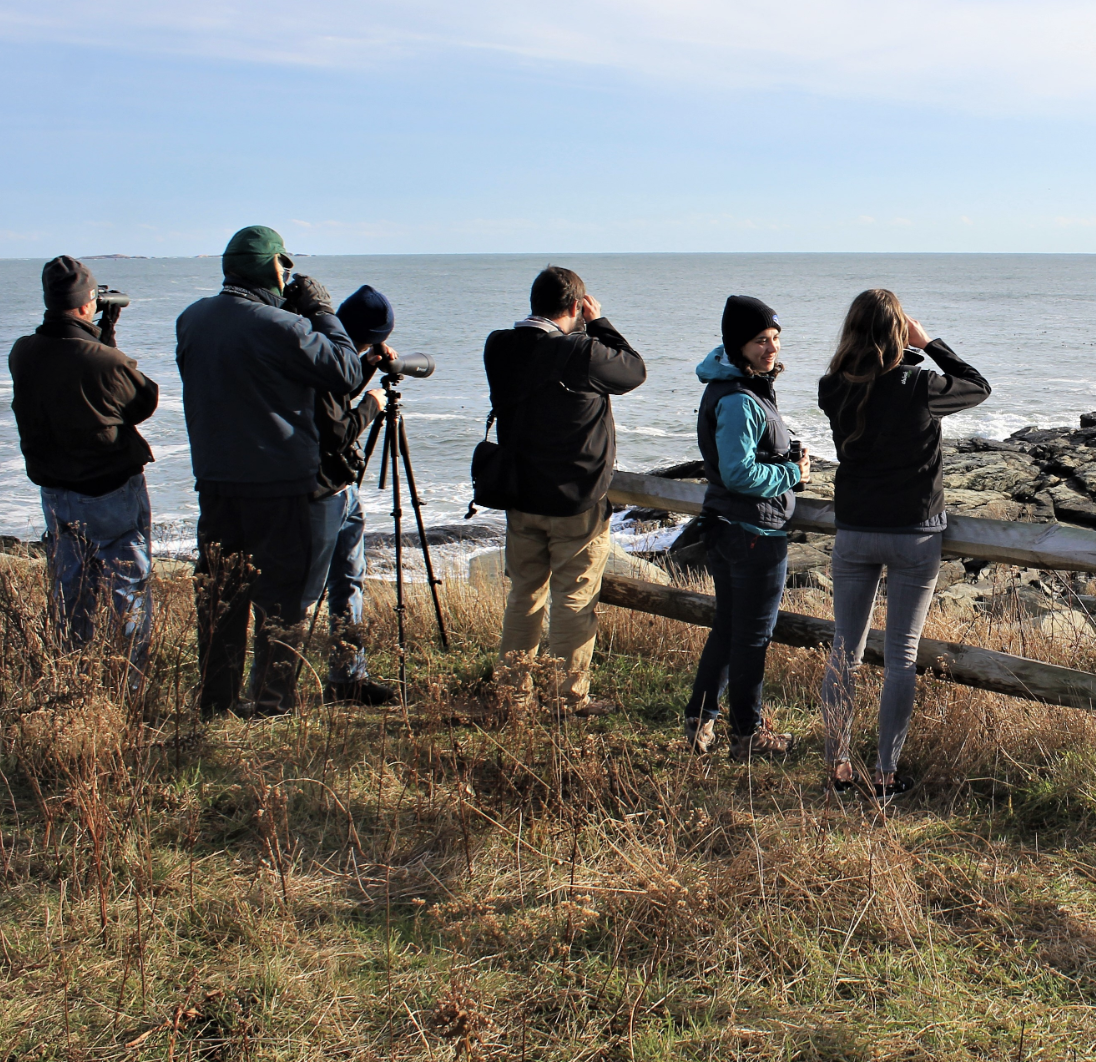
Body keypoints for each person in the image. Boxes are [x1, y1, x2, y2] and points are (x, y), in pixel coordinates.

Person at [176, 225, 363, 718]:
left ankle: (215, 701)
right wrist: (322, 312)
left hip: (217, 481)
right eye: (284, 264)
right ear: (272, 266)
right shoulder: (283, 327)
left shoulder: (192, 319)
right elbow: (346, 371)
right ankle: (270, 704)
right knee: (282, 599)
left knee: (221, 596)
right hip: (280, 484)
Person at [817, 289, 990, 798]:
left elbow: (866, 385)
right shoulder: (920, 385)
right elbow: (978, 386)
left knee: (844, 652)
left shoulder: (832, 386)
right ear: (900, 331)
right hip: (914, 533)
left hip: (855, 530)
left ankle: (837, 766)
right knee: (901, 658)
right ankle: (885, 773)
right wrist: (929, 342)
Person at [484, 265, 645, 714]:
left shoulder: (499, 346)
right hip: (576, 501)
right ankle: (566, 699)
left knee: (524, 595)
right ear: (576, 306)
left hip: (520, 495)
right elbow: (633, 371)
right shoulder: (581, 351)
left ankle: (512, 693)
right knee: (574, 599)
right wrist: (600, 323)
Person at [9, 255, 158, 682]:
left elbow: (73, 376)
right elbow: (142, 402)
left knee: (70, 587)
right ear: (85, 304)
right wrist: (106, 339)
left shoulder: (23, 352)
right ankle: (130, 682)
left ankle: (72, 675)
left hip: (56, 492)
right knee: (128, 587)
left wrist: (99, 335)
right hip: (110, 491)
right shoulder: (103, 360)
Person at [683, 296, 808, 759]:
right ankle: (748, 736)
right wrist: (792, 472)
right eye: (760, 340)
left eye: (775, 338)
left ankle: (700, 721)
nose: (771, 348)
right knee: (752, 638)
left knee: (728, 628)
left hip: (729, 525)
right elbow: (739, 473)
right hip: (753, 532)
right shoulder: (738, 398)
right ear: (737, 345)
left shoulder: (737, 386)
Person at [294, 284, 394, 706]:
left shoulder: (328, 351)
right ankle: (278, 686)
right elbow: (336, 430)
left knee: (349, 581)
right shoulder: (320, 357)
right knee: (307, 591)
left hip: (340, 487)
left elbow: (338, 395)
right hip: (319, 489)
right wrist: (373, 404)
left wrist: (365, 368)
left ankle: (348, 677)